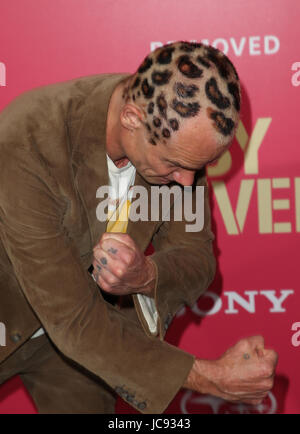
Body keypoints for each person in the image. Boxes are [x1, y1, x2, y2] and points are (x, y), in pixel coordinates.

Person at [0, 41, 277, 414]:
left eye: (197, 168)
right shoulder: (29, 138)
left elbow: (197, 258)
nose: (186, 183)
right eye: (175, 165)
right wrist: (212, 378)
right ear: (132, 118)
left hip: (84, 346)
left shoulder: (180, 136)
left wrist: (147, 275)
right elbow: (72, 318)